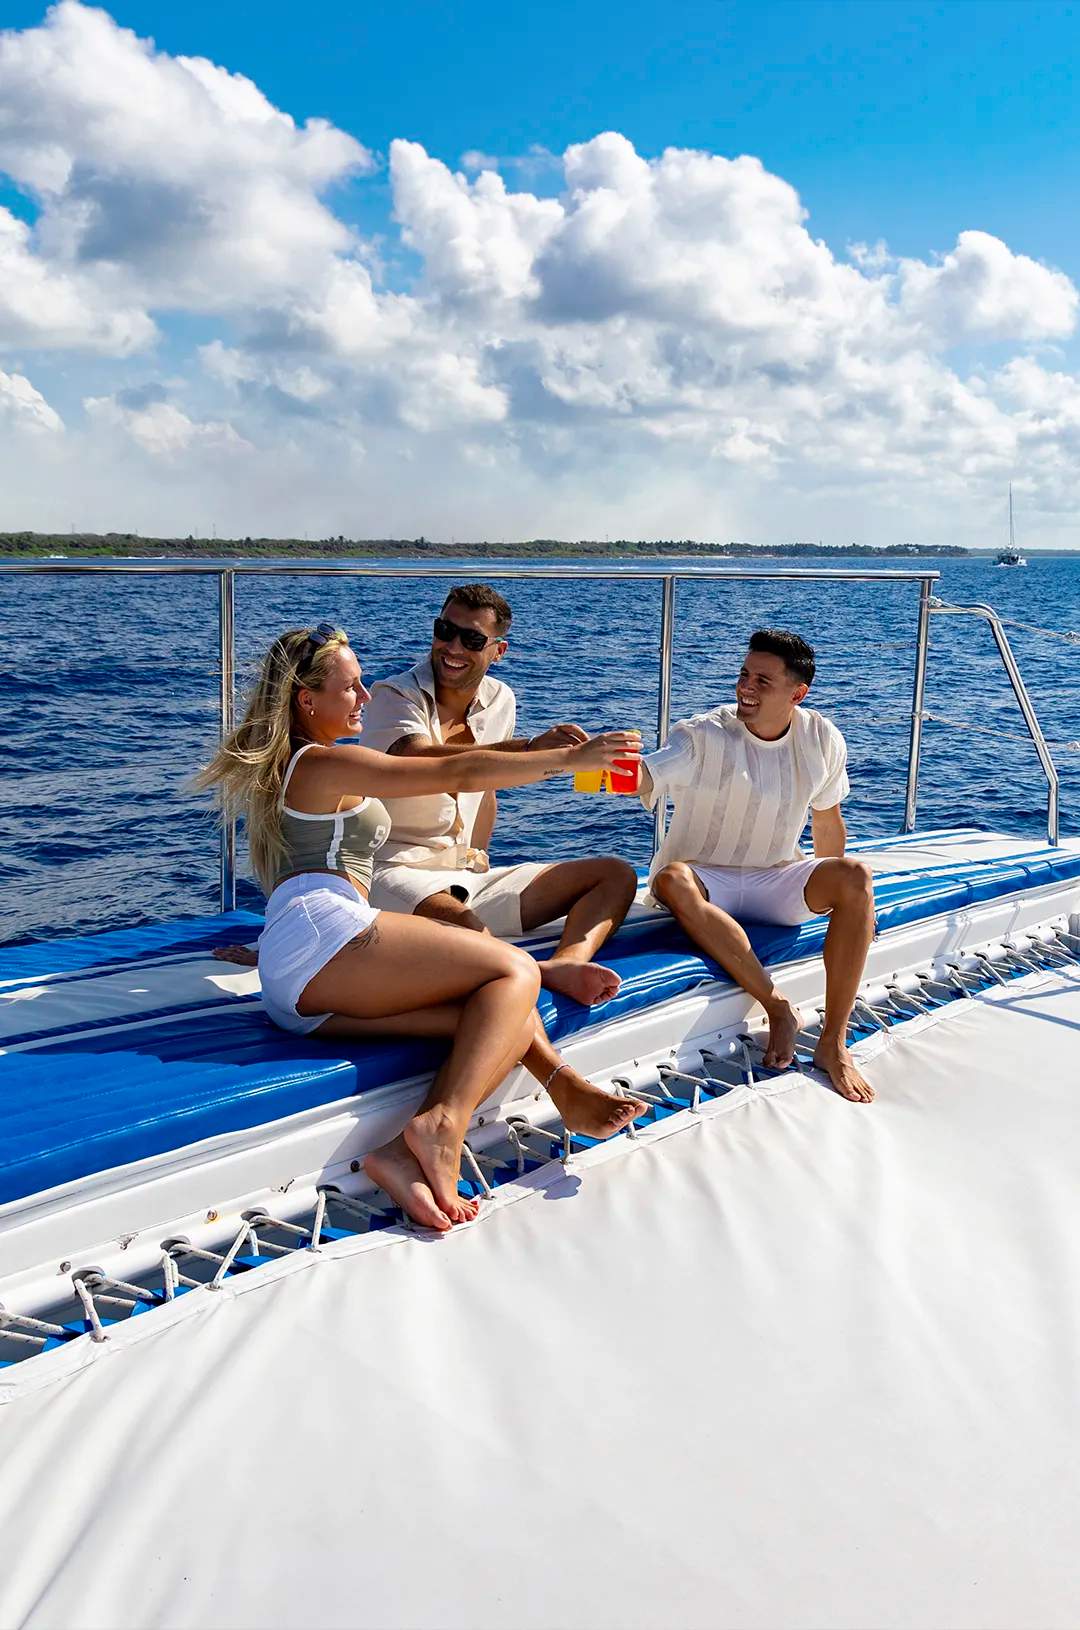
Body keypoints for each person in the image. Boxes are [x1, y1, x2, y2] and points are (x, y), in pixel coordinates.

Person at [198, 622, 645, 1233]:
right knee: (513, 967)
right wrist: (569, 760)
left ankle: (401, 1155)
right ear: (308, 700)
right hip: (324, 936)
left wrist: (266, 951)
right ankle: (442, 1123)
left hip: (302, 971)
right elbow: (456, 774)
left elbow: (294, 872)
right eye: (350, 689)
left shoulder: (296, 768)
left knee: (501, 1014)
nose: (363, 699)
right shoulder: (325, 762)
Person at [359, 583, 638, 1008]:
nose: (452, 646)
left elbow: (485, 792)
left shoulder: (500, 699)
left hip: (462, 877)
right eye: (444, 630)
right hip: (390, 872)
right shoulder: (392, 696)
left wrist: (477, 861)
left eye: (471, 639)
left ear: (497, 651)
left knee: (615, 874)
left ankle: (566, 962)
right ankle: (534, 971)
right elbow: (425, 761)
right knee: (456, 919)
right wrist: (546, 754)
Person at [641, 628, 876, 1104]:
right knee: (670, 879)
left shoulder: (821, 737)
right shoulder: (702, 735)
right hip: (707, 881)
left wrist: (853, 911)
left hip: (776, 879)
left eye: (761, 681)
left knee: (856, 877)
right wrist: (586, 763)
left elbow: (828, 821)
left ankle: (833, 1043)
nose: (745, 686)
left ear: (797, 693)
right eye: (743, 675)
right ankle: (777, 1006)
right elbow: (645, 774)